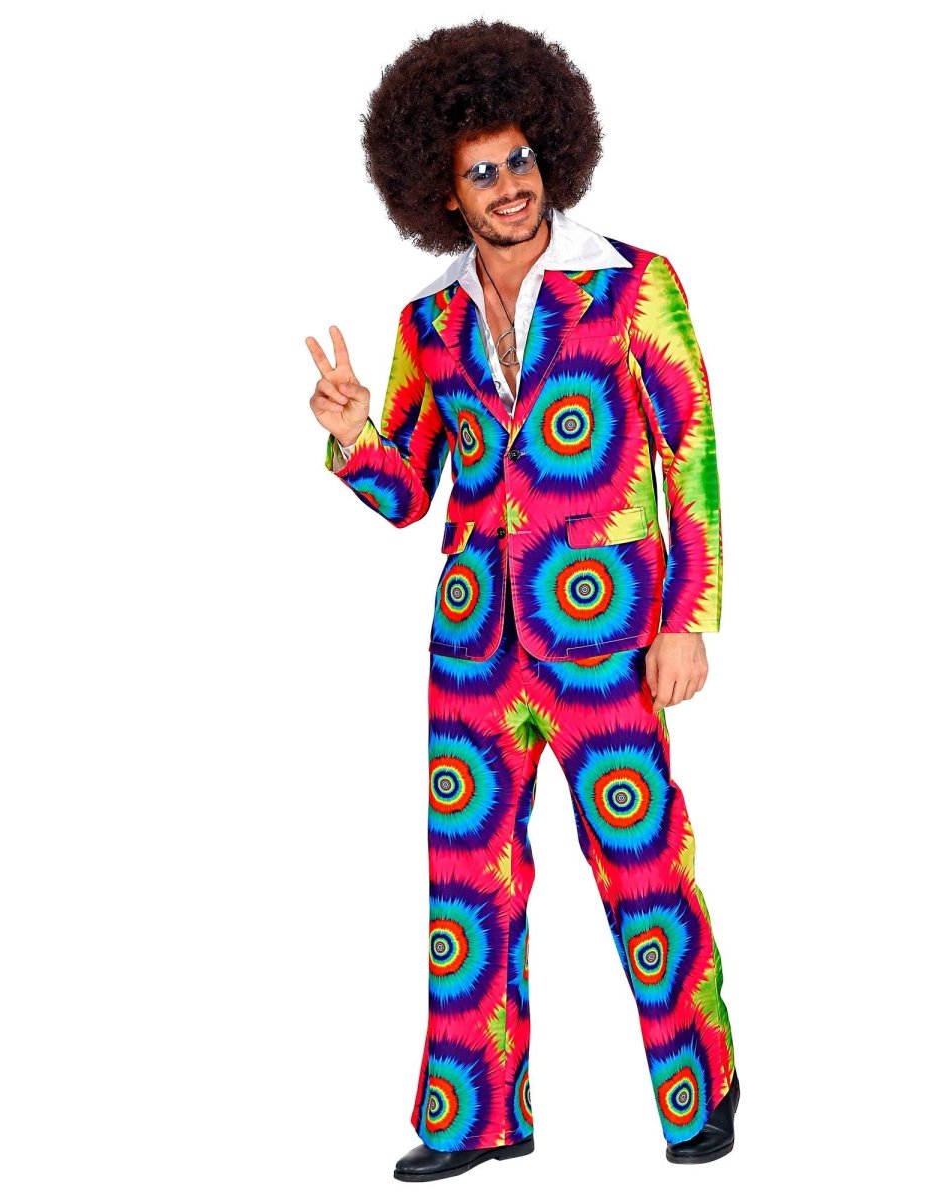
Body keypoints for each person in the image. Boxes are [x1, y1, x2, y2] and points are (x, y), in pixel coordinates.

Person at [307, 18, 740, 1183]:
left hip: (609, 638)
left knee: (642, 863)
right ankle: (476, 1116)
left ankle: (700, 1084)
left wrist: (688, 619)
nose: (509, 186)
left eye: (519, 160)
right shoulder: (429, 324)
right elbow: (409, 492)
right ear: (442, 193)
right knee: (468, 880)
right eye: (480, 172)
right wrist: (353, 433)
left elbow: (691, 456)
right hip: (472, 651)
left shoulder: (636, 286)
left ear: (551, 151)